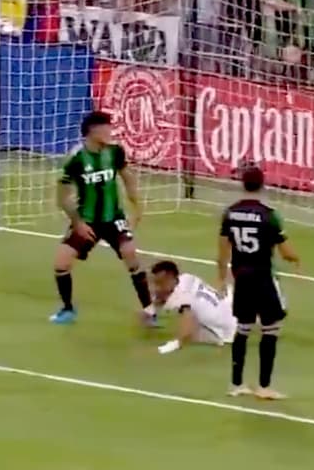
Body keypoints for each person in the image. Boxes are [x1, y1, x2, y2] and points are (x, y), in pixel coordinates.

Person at [52, 111, 155, 325]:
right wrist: (78, 223)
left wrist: (137, 209)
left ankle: (149, 310)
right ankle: (68, 309)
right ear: (93, 131)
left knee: (130, 254)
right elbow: (62, 197)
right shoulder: (76, 158)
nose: (110, 131)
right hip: (87, 221)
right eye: (106, 127)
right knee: (61, 263)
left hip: (113, 218)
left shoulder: (115, 152)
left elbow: (128, 178)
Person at [218, 164, 300, 400]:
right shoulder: (269, 215)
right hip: (263, 276)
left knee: (243, 328)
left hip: (241, 277)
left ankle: (236, 384)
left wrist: (221, 277)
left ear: (242, 184)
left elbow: (223, 250)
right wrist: (296, 259)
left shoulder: (230, 213)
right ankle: (264, 386)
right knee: (271, 329)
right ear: (262, 185)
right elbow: (285, 251)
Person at [151, 260, 236, 354]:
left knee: (193, 333)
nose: (156, 287)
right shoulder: (186, 277)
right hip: (227, 308)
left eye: (160, 283)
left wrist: (174, 344)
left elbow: (188, 322)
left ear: (170, 278)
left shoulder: (180, 298)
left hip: (226, 329)